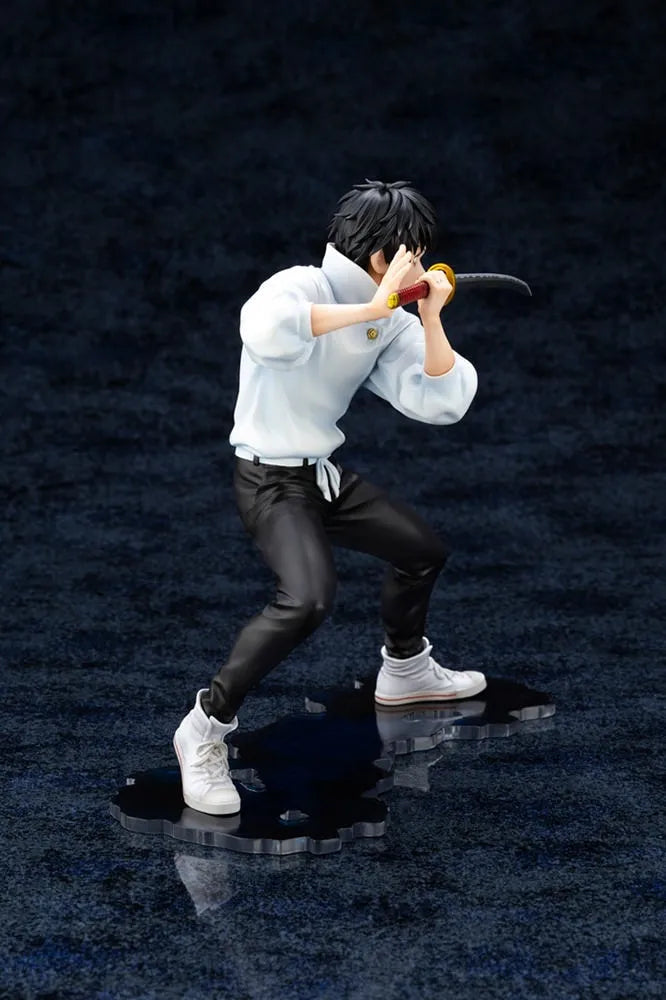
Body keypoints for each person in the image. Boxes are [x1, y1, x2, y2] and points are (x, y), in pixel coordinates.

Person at [173, 178, 487, 815]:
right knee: (308, 600)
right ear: (382, 256)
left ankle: (406, 670)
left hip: (322, 476)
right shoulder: (299, 287)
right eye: (416, 256)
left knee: (421, 551)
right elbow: (267, 331)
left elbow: (441, 400)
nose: (421, 268)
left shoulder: (391, 319)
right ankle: (204, 726)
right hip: (269, 481)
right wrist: (374, 307)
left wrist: (427, 318)